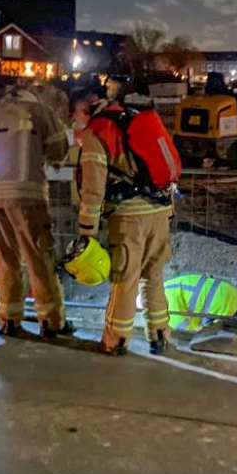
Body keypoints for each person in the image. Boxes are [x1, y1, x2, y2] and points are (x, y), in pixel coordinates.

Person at [75, 95, 176, 357]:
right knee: (153, 276)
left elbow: (93, 187)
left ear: (85, 109)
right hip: (161, 209)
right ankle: (160, 336)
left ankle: (116, 340)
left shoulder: (97, 130)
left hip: (129, 216)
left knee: (124, 279)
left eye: (75, 115)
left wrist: (87, 229)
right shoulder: (132, 117)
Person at [0, 83, 71, 339]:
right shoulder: (41, 111)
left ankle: (9, 319)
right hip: (27, 195)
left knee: (5, 258)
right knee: (38, 257)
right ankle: (51, 321)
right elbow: (59, 151)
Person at [163, 274, 237, 334]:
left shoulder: (167, 303)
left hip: (224, 307)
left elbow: (185, 331)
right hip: (232, 293)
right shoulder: (168, 287)